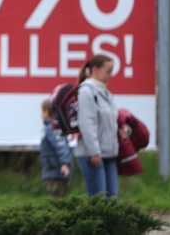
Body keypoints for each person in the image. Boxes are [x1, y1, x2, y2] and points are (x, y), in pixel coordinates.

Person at [75, 54, 128, 197]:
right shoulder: (86, 92)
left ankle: (110, 221)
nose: (111, 76)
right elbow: (87, 122)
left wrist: (122, 130)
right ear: (95, 70)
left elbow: (110, 120)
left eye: (112, 71)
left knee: (112, 198)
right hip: (92, 154)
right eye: (108, 71)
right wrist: (94, 151)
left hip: (109, 153)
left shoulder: (106, 93)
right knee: (99, 200)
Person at [40, 98, 72, 198]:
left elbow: (61, 145)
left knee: (55, 199)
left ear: (46, 112)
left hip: (57, 170)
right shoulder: (53, 127)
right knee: (55, 197)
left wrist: (64, 163)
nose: (40, 114)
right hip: (54, 171)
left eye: (42, 111)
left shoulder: (52, 128)